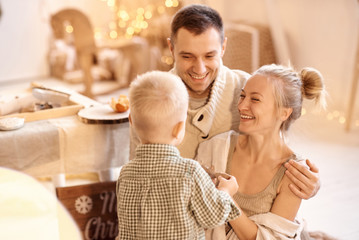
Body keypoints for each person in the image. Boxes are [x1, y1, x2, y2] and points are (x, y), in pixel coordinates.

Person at [130, 3, 320, 200]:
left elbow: (277, 152)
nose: (200, 69)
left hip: (236, 213)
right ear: (171, 48)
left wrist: (310, 182)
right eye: (187, 56)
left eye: (209, 56)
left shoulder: (248, 90)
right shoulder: (149, 98)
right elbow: (137, 174)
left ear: (223, 47)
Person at [196, 64, 327, 239]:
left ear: (283, 113)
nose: (242, 106)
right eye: (242, 96)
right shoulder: (216, 147)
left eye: (255, 99)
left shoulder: (293, 173)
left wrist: (226, 200)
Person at [117, 71, 241, 239]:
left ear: (131, 121)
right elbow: (213, 217)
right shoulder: (189, 171)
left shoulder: (125, 174)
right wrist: (226, 192)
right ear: (179, 128)